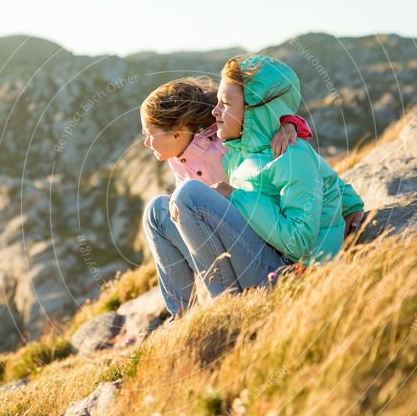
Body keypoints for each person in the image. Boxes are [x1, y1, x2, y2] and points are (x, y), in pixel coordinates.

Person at [140, 62, 364, 317]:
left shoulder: (239, 147)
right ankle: (181, 316)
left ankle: (228, 307)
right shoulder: (238, 151)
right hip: (237, 247)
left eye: (150, 133)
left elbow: (311, 175)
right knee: (156, 210)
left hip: (281, 268)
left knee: (188, 194)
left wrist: (290, 124)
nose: (215, 111)